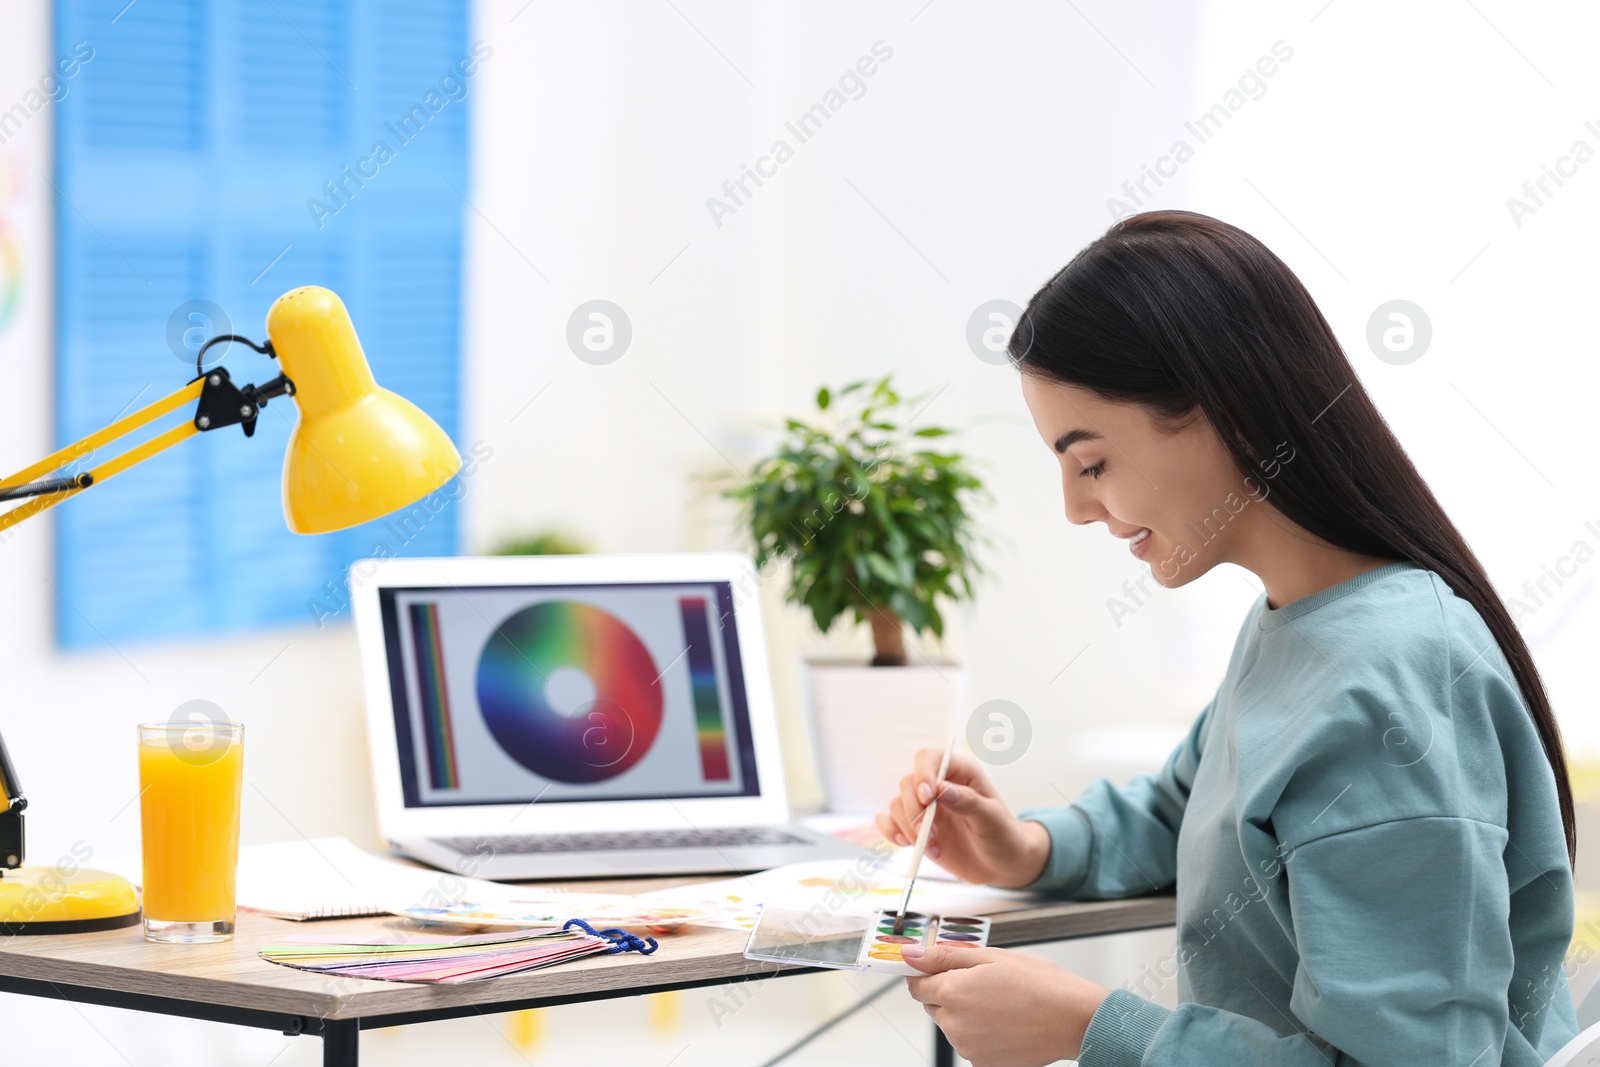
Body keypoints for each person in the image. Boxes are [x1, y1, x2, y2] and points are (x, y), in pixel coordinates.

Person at [874, 211, 1578, 1066]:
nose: (1076, 508)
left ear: (1222, 409)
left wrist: (1092, 1026)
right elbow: (1189, 805)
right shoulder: (1298, 620)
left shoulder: (1391, 674)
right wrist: (1027, 846)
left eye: (1090, 462)